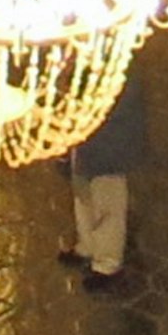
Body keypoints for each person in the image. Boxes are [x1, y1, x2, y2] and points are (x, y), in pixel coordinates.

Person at [63, 70, 146, 291]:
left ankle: (107, 264)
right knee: (83, 194)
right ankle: (87, 246)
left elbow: (117, 107)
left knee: (108, 203)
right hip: (85, 138)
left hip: (109, 143)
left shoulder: (120, 69)